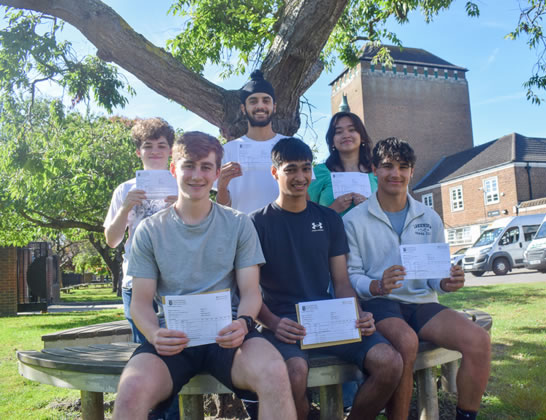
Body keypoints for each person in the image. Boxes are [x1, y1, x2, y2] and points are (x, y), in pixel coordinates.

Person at [112, 132, 296, 420]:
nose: (196, 175)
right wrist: (155, 334)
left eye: (206, 167)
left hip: (229, 337)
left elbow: (250, 292)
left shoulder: (238, 224)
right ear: (173, 169)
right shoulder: (149, 229)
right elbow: (140, 303)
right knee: (131, 390)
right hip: (172, 338)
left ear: (215, 173)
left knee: (274, 372)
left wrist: (244, 322)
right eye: (189, 165)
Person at [250, 137, 403, 420]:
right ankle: (305, 413)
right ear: (275, 173)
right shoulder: (255, 223)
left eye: (306, 169)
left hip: (330, 318)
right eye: (291, 169)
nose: (300, 177)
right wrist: (272, 322)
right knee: (294, 373)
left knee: (390, 362)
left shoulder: (330, 220)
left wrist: (358, 314)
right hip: (283, 323)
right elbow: (249, 292)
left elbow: (342, 282)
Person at [343, 137, 492, 420]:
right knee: (406, 341)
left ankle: (466, 416)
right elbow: (351, 276)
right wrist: (376, 284)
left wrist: (445, 282)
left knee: (478, 340)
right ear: (374, 169)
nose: (395, 174)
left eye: (403, 167)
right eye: (387, 166)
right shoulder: (353, 220)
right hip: (380, 303)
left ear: (412, 171)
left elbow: (434, 275)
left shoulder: (430, 217)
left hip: (421, 304)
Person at [104, 117, 176, 344]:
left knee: (177, 345)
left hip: (176, 279)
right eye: (148, 145)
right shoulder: (124, 189)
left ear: (171, 151)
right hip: (135, 279)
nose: (155, 151)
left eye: (161, 145)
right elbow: (112, 240)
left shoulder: (185, 186)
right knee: (144, 347)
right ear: (138, 152)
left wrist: (181, 208)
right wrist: (125, 207)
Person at [215, 69, 287, 214]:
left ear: (274, 107)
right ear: (243, 108)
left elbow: (306, 198)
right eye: (253, 101)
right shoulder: (227, 151)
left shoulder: (291, 146)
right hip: (242, 232)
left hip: (285, 231)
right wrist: (222, 187)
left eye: (266, 101)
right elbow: (223, 209)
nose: (260, 106)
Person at [308, 111, 377, 216]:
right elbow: (307, 214)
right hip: (331, 232)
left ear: (362, 136)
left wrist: (369, 207)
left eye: (352, 130)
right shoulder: (319, 172)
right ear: (332, 140)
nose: (346, 135)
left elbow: (390, 212)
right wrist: (332, 211)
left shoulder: (377, 172)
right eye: (339, 132)